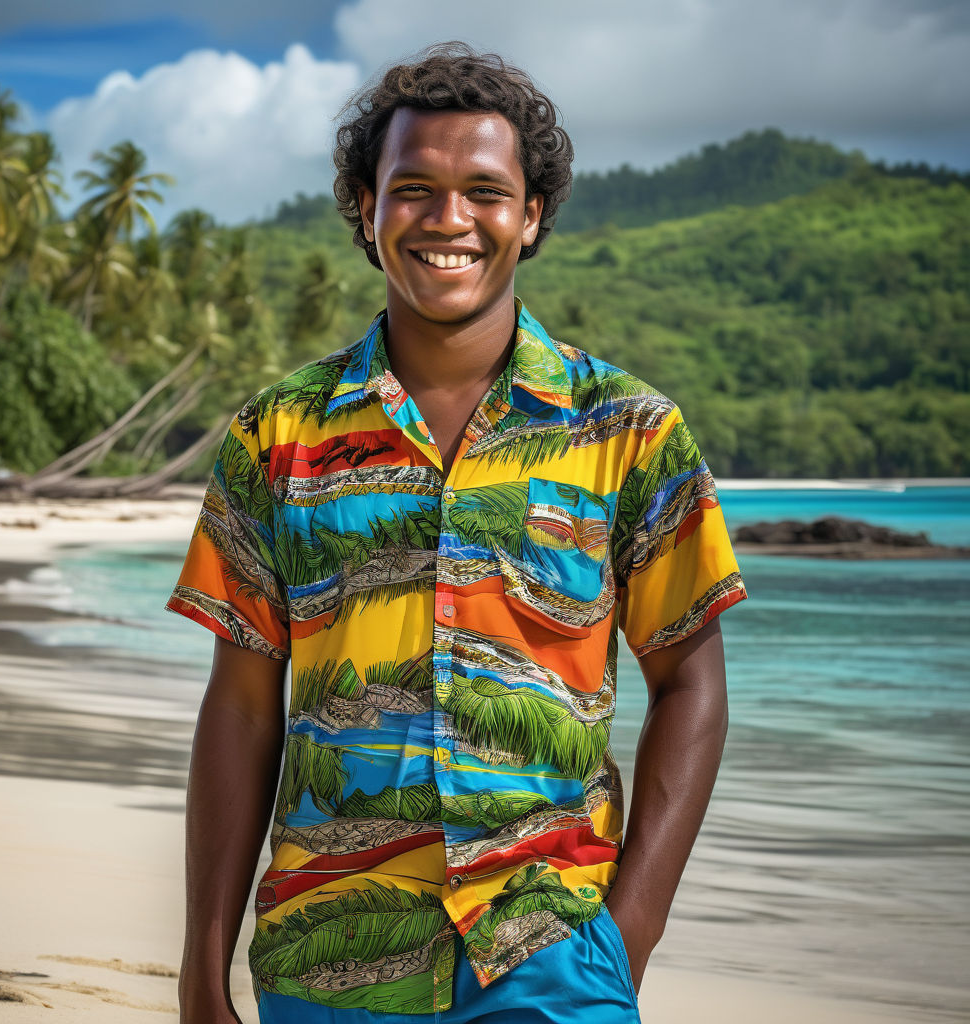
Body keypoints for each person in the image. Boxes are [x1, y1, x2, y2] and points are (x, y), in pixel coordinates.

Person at [167, 41, 747, 1024]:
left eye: (484, 190)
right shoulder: (277, 435)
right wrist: (199, 973)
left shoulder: (628, 431)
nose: (448, 219)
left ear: (531, 217)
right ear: (366, 207)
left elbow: (690, 679)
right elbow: (242, 706)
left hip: (553, 953)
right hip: (330, 953)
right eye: (413, 188)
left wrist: (629, 930)